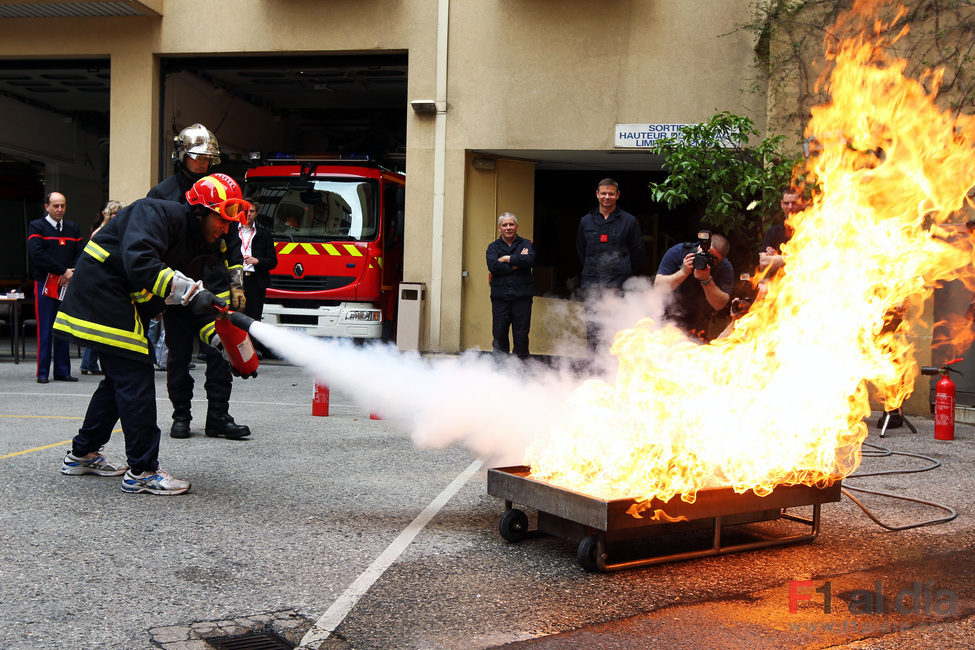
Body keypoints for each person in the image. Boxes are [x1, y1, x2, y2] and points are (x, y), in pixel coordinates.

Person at [53, 173, 254, 495]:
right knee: (135, 376)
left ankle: (81, 454)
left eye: (231, 223)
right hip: (102, 294)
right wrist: (190, 293)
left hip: (121, 302)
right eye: (221, 219)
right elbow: (141, 263)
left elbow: (194, 303)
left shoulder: (198, 246)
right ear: (200, 210)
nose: (226, 228)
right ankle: (143, 471)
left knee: (118, 380)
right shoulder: (156, 212)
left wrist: (224, 342)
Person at [148, 123, 250, 440]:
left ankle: (218, 416)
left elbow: (233, 245)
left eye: (208, 158)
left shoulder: (223, 189)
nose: (204, 163)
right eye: (198, 157)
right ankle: (181, 417)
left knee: (221, 355)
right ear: (182, 155)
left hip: (215, 286)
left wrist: (236, 286)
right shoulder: (163, 194)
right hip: (178, 289)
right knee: (178, 356)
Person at [576, 178, 646, 352]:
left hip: (618, 283)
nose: (607, 197)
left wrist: (624, 272)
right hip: (592, 282)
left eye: (611, 194)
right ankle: (593, 368)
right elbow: (580, 250)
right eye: (604, 193)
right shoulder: (586, 221)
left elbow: (638, 252)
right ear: (597, 194)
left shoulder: (629, 221)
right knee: (592, 325)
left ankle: (614, 367)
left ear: (617, 195)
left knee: (617, 325)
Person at [27, 192, 83, 384]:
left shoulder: (72, 229)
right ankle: (42, 372)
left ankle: (62, 370)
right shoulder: (37, 226)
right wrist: (62, 271)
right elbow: (37, 254)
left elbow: (80, 253)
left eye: (63, 206)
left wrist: (71, 272)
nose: (59, 210)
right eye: (55, 206)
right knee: (45, 328)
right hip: (45, 283)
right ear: (47, 207)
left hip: (66, 284)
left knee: (64, 327)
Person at [654, 232, 734, 342]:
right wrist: (683, 272)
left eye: (712, 258)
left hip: (698, 322)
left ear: (721, 260)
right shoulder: (679, 252)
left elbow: (720, 304)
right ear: (700, 246)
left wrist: (706, 280)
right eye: (706, 253)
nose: (706, 259)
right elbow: (658, 287)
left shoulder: (724, 267)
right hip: (667, 317)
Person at [80, 200, 126, 375]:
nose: (117, 216)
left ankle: (90, 363)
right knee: (98, 326)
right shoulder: (100, 233)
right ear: (108, 214)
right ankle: (89, 363)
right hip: (99, 285)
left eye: (119, 213)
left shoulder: (116, 232)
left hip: (104, 284)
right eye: (114, 213)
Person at [485, 212, 535, 359]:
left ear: (516, 226)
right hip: (501, 298)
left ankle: (521, 368)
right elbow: (493, 267)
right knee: (499, 334)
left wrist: (507, 258)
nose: (508, 227)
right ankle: (501, 368)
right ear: (499, 228)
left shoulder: (526, 244)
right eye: (504, 225)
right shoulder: (493, 247)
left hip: (522, 297)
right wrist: (517, 263)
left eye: (511, 224)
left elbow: (530, 259)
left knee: (521, 335)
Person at [226, 201, 277, 326]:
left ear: (256, 214)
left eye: (252, 211)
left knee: (253, 319)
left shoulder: (264, 235)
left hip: (254, 281)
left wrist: (258, 261)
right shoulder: (230, 231)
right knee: (233, 317)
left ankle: (252, 345)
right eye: (245, 211)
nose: (248, 214)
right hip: (234, 279)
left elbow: (273, 261)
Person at [759, 189, 806, 274]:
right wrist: (793, 258)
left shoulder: (811, 229)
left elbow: (813, 260)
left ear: (801, 204)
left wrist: (777, 258)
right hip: (780, 283)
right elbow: (763, 263)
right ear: (782, 204)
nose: (790, 207)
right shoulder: (773, 232)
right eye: (786, 203)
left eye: (794, 203)